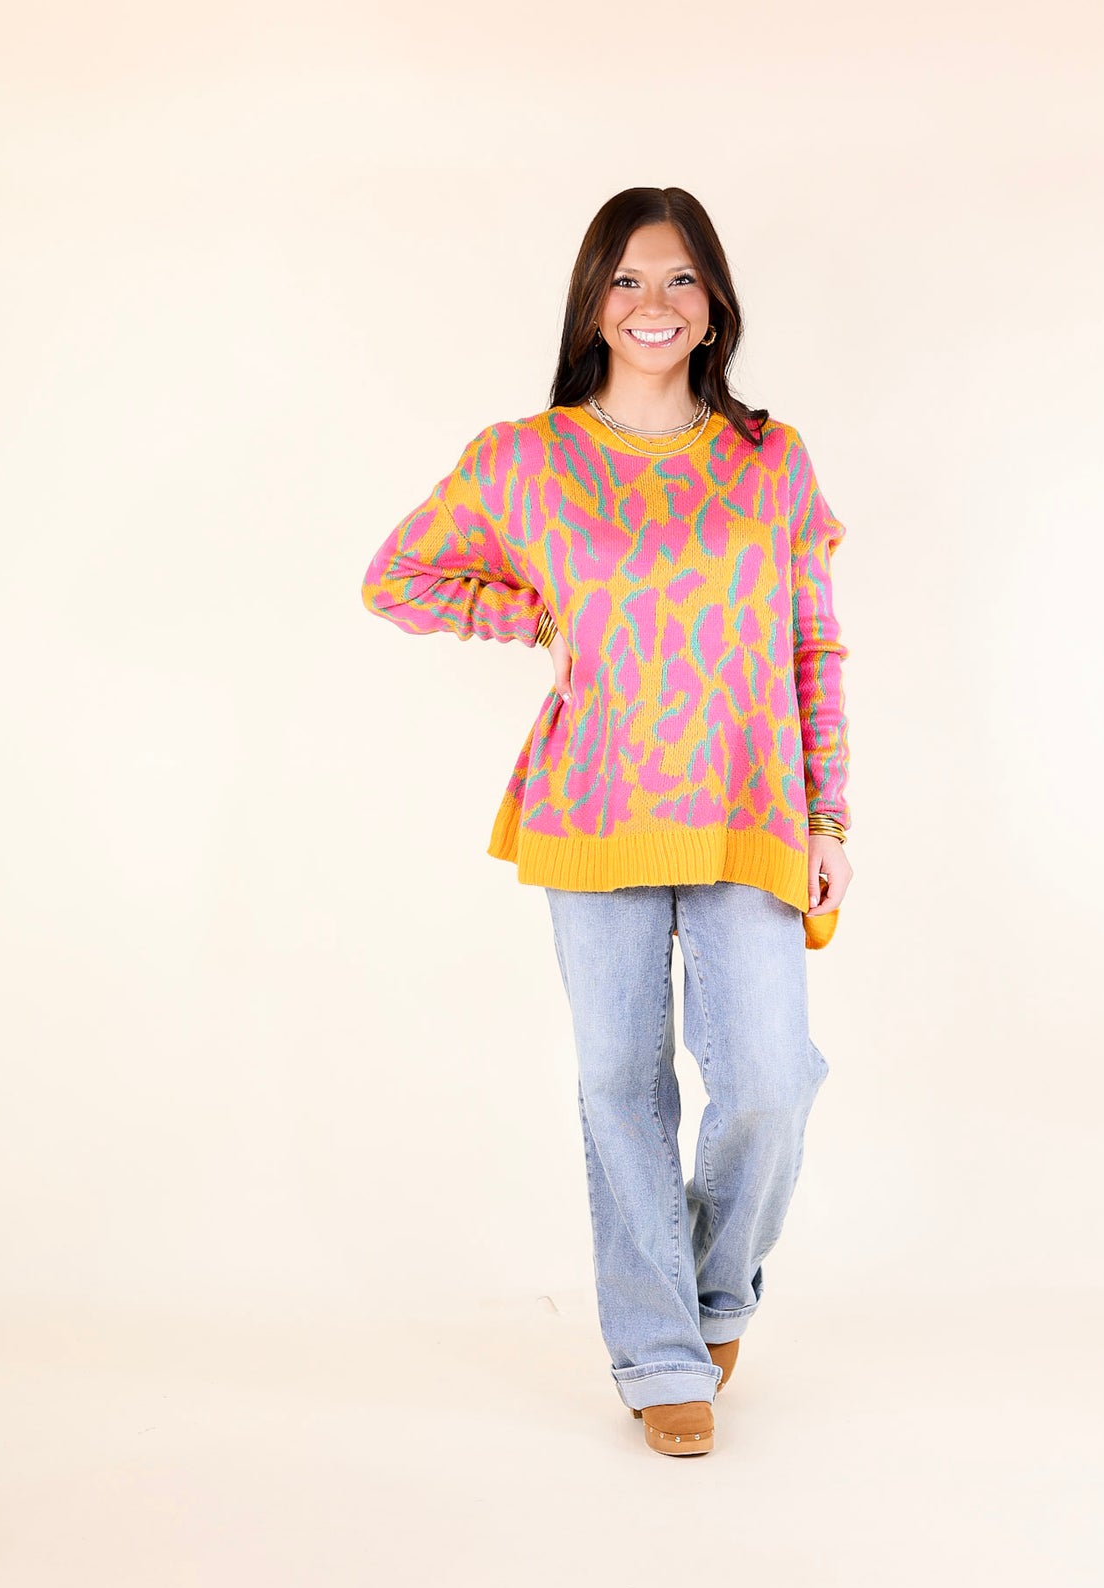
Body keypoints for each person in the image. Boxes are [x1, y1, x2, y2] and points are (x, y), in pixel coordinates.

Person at [361, 187, 853, 1459]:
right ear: (592, 304)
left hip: (750, 809)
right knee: (619, 1088)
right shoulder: (526, 459)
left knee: (770, 1083)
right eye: (627, 280)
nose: (653, 304)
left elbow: (812, 643)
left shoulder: (770, 460)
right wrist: (529, 614)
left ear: (715, 307)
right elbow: (399, 576)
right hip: (594, 809)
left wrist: (830, 816)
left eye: (680, 279)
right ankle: (658, 1353)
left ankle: (711, 1297)